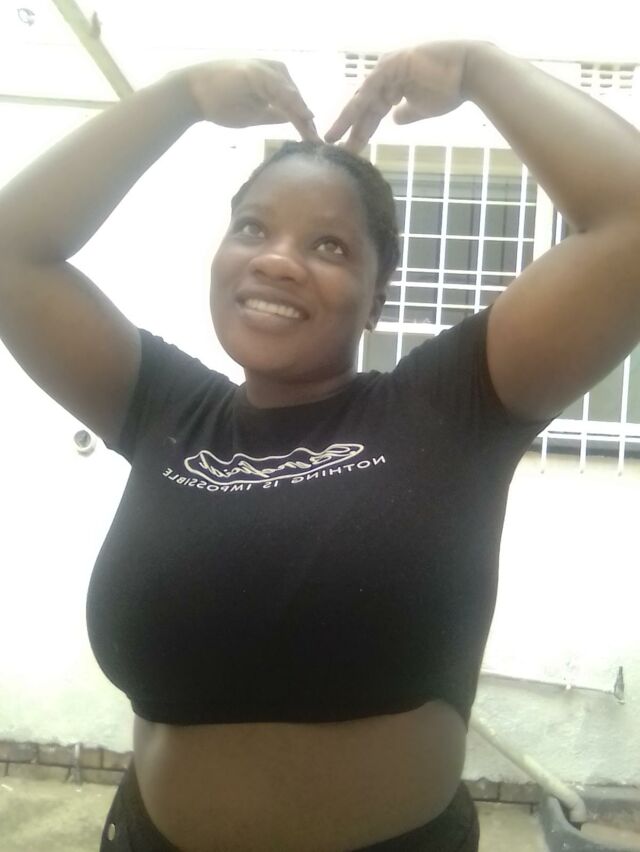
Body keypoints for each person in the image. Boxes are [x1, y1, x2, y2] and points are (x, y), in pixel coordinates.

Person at [0, 37, 639, 852]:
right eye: (252, 228)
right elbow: (13, 250)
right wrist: (179, 96)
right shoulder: (164, 408)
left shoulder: (449, 406)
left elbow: (629, 224)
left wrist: (479, 71)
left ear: (377, 298)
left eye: (329, 246)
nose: (277, 261)